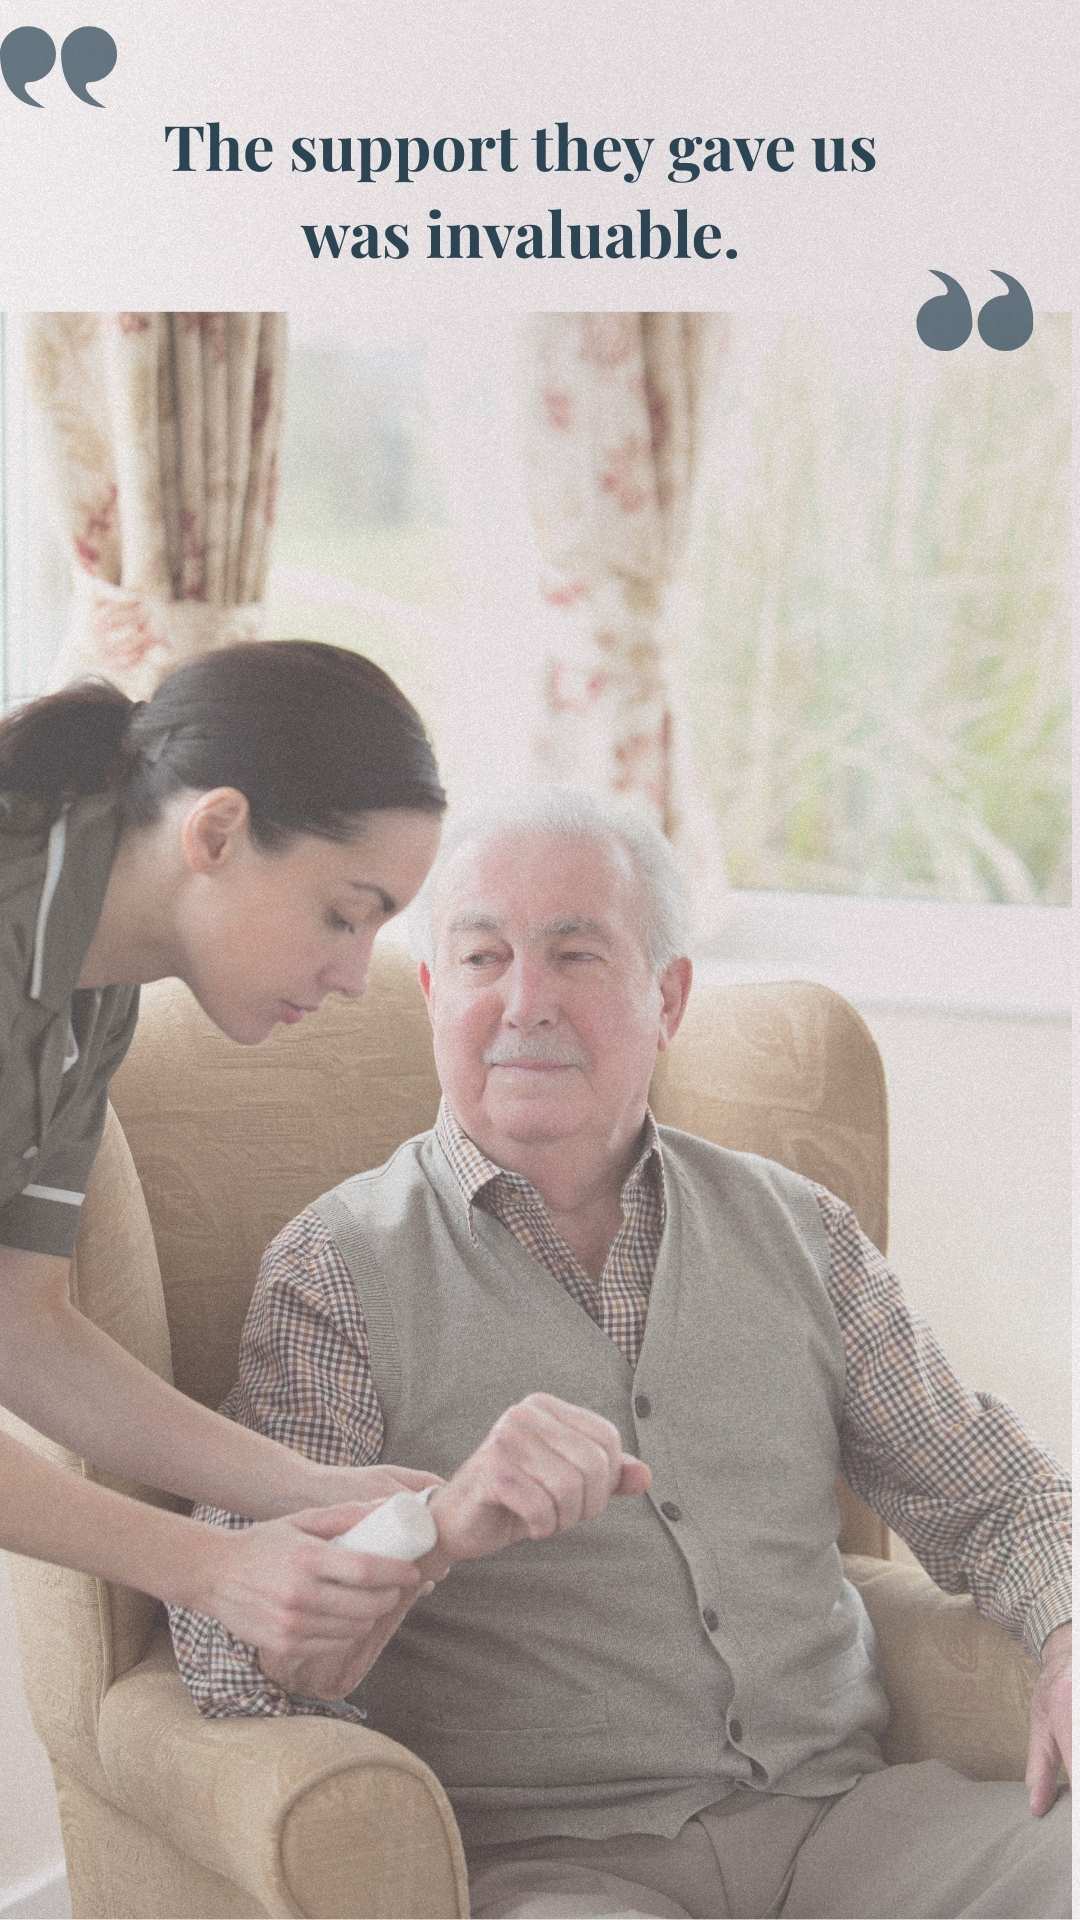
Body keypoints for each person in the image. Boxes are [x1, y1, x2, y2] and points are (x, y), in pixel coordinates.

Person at [170, 787, 1071, 1920]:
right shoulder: (336, 1268)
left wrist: (1070, 1632)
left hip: (855, 1831)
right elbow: (225, 1655)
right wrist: (432, 1526)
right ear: (433, 993)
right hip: (556, 1871)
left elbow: (1001, 1496)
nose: (525, 1004)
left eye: (578, 955)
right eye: (486, 958)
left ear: (669, 998)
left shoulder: (800, 1231)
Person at [0, 638, 462, 1672]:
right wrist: (206, 1566)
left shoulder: (88, 989)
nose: (354, 975)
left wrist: (314, 1490)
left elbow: (19, 1324)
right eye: (343, 915)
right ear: (217, 828)